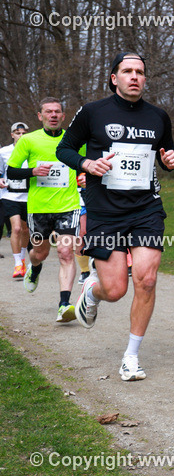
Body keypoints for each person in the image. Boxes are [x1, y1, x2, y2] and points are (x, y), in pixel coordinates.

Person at [56, 52, 174, 381]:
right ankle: (93, 291)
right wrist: (86, 164)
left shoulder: (158, 116)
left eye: (140, 71)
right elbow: (64, 149)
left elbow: (165, 153)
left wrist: (169, 160)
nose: (135, 77)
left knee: (147, 279)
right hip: (105, 211)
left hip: (146, 209)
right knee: (116, 290)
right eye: (127, 71)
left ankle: (131, 356)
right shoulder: (93, 112)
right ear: (114, 78)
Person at [5, 98, 85, 321]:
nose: (53, 115)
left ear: (63, 116)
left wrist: (85, 177)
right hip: (39, 208)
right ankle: (35, 267)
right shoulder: (29, 140)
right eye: (48, 112)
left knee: (66, 253)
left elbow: (86, 164)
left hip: (68, 206)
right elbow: (10, 173)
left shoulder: (75, 139)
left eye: (57, 112)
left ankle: (64, 305)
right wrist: (33, 171)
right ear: (40, 116)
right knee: (40, 252)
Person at [1, 122, 30, 279]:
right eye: (18, 133)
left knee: (26, 230)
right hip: (10, 195)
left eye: (24, 133)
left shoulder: (31, 150)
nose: (21, 136)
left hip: (29, 195)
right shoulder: (4, 152)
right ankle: (17, 263)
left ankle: (23, 257)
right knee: (16, 228)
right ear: (12, 134)